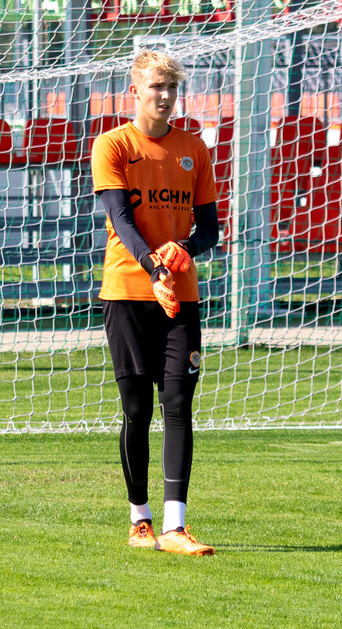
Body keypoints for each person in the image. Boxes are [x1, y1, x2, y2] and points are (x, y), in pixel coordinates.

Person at [90, 50, 221, 556]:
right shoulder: (113, 145)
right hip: (127, 292)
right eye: (156, 88)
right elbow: (121, 219)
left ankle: (175, 525)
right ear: (135, 92)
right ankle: (139, 518)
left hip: (180, 299)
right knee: (136, 408)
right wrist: (154, 265)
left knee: (179, 406)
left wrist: (182, 251)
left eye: (171, 88)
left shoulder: (194, 148)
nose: (164, 97)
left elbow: (209, 228)